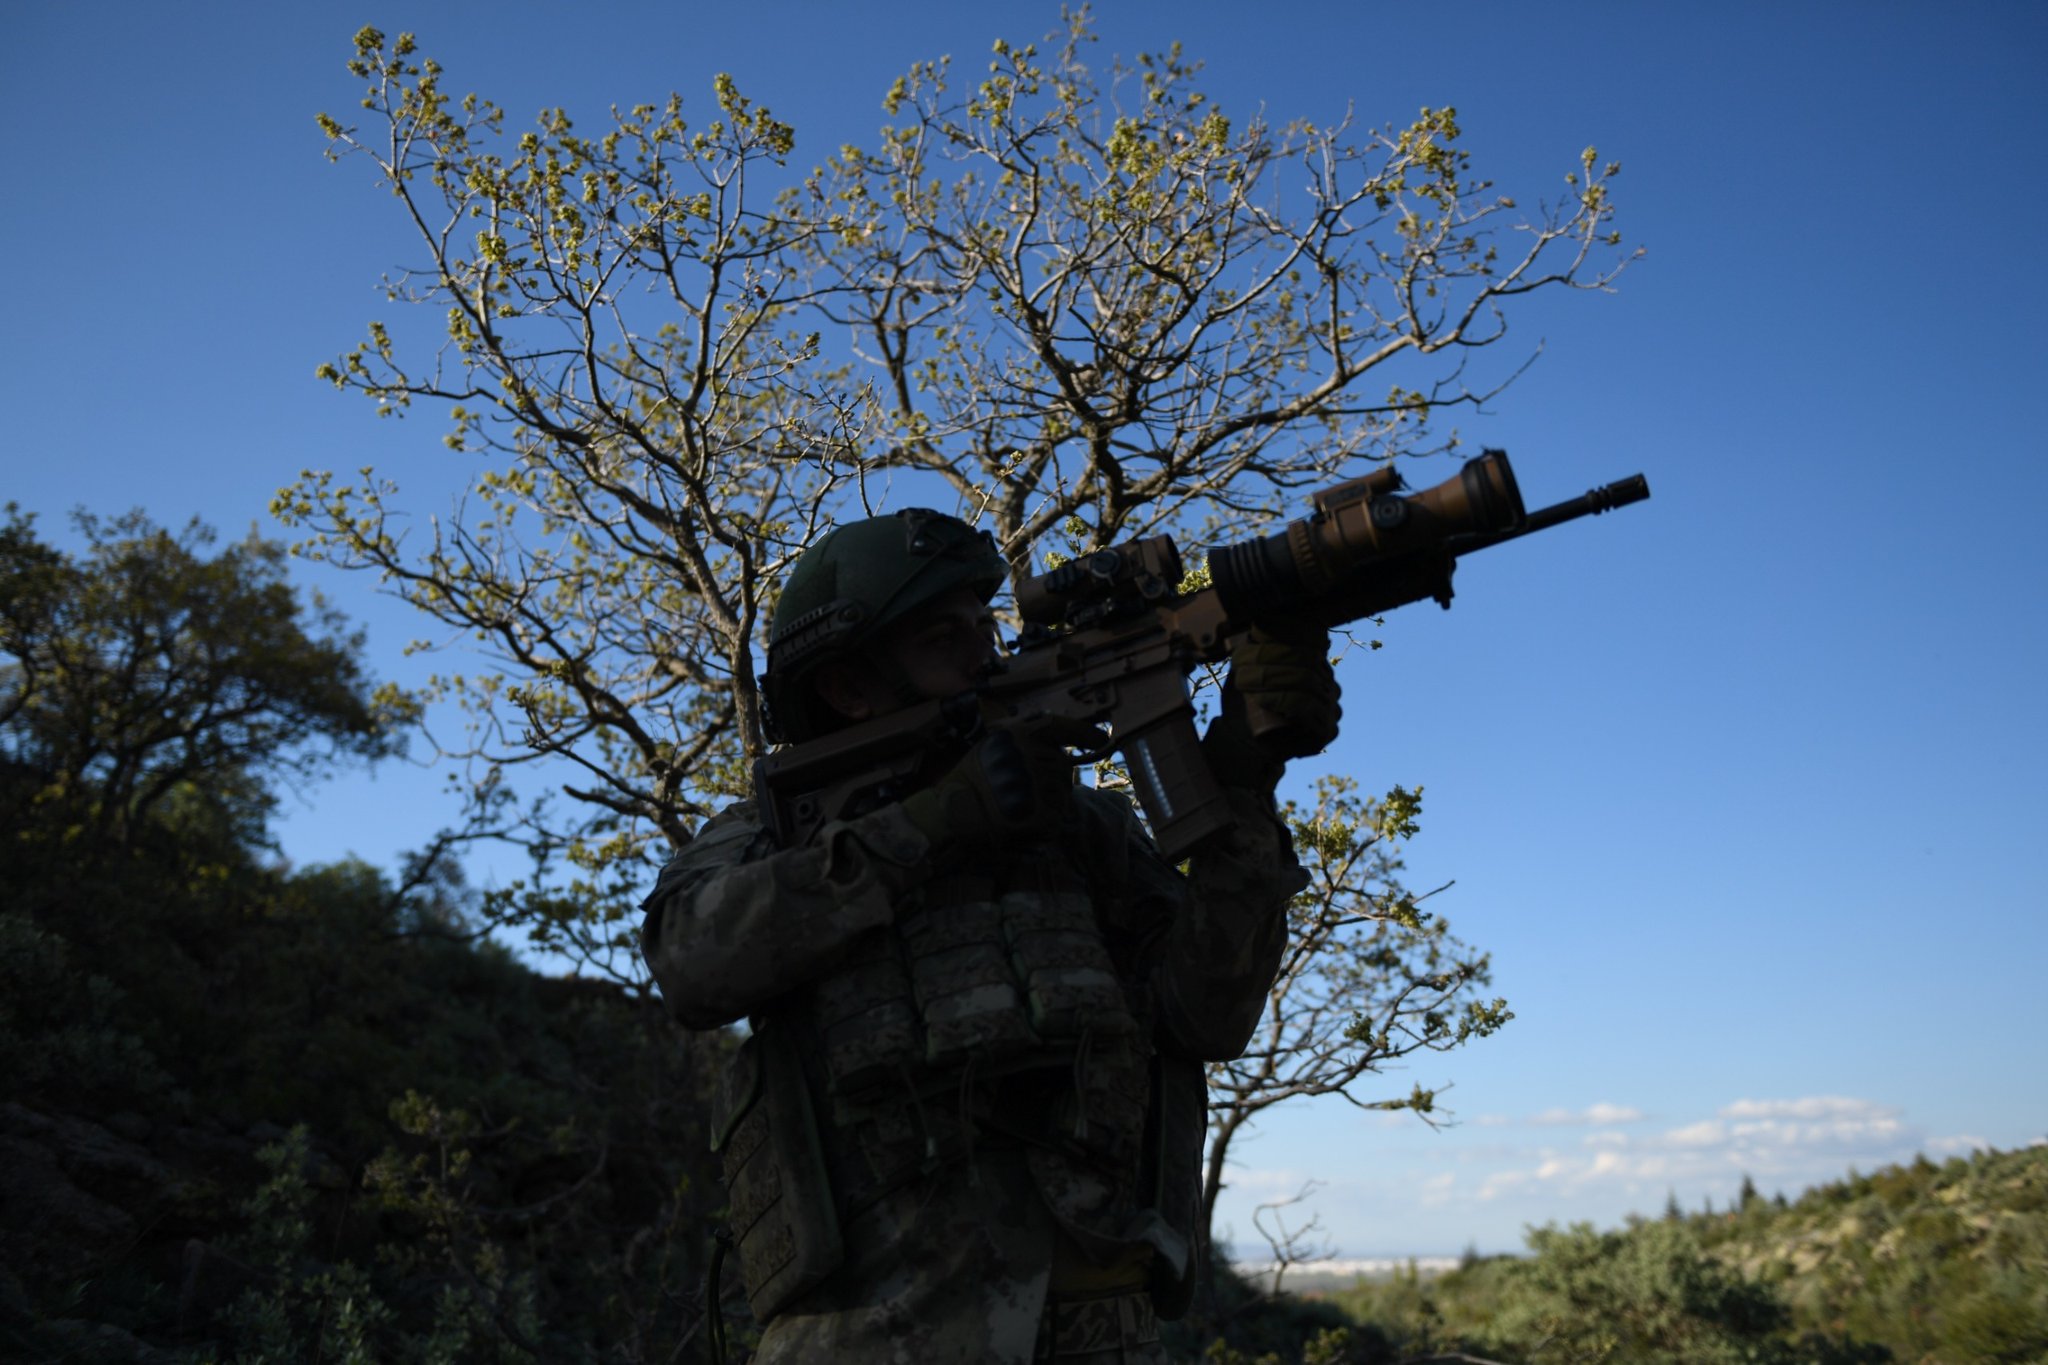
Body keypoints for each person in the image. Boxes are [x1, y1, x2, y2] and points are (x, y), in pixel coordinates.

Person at [640, 508, 1340, 1364]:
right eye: (944, 638)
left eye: (987, 626)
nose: (985, 656)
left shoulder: (1084, 831)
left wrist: (1241, 780)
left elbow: (1208, 1014)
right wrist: (932, 823)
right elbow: (690, 962)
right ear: (849, 689)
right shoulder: (773, 835)